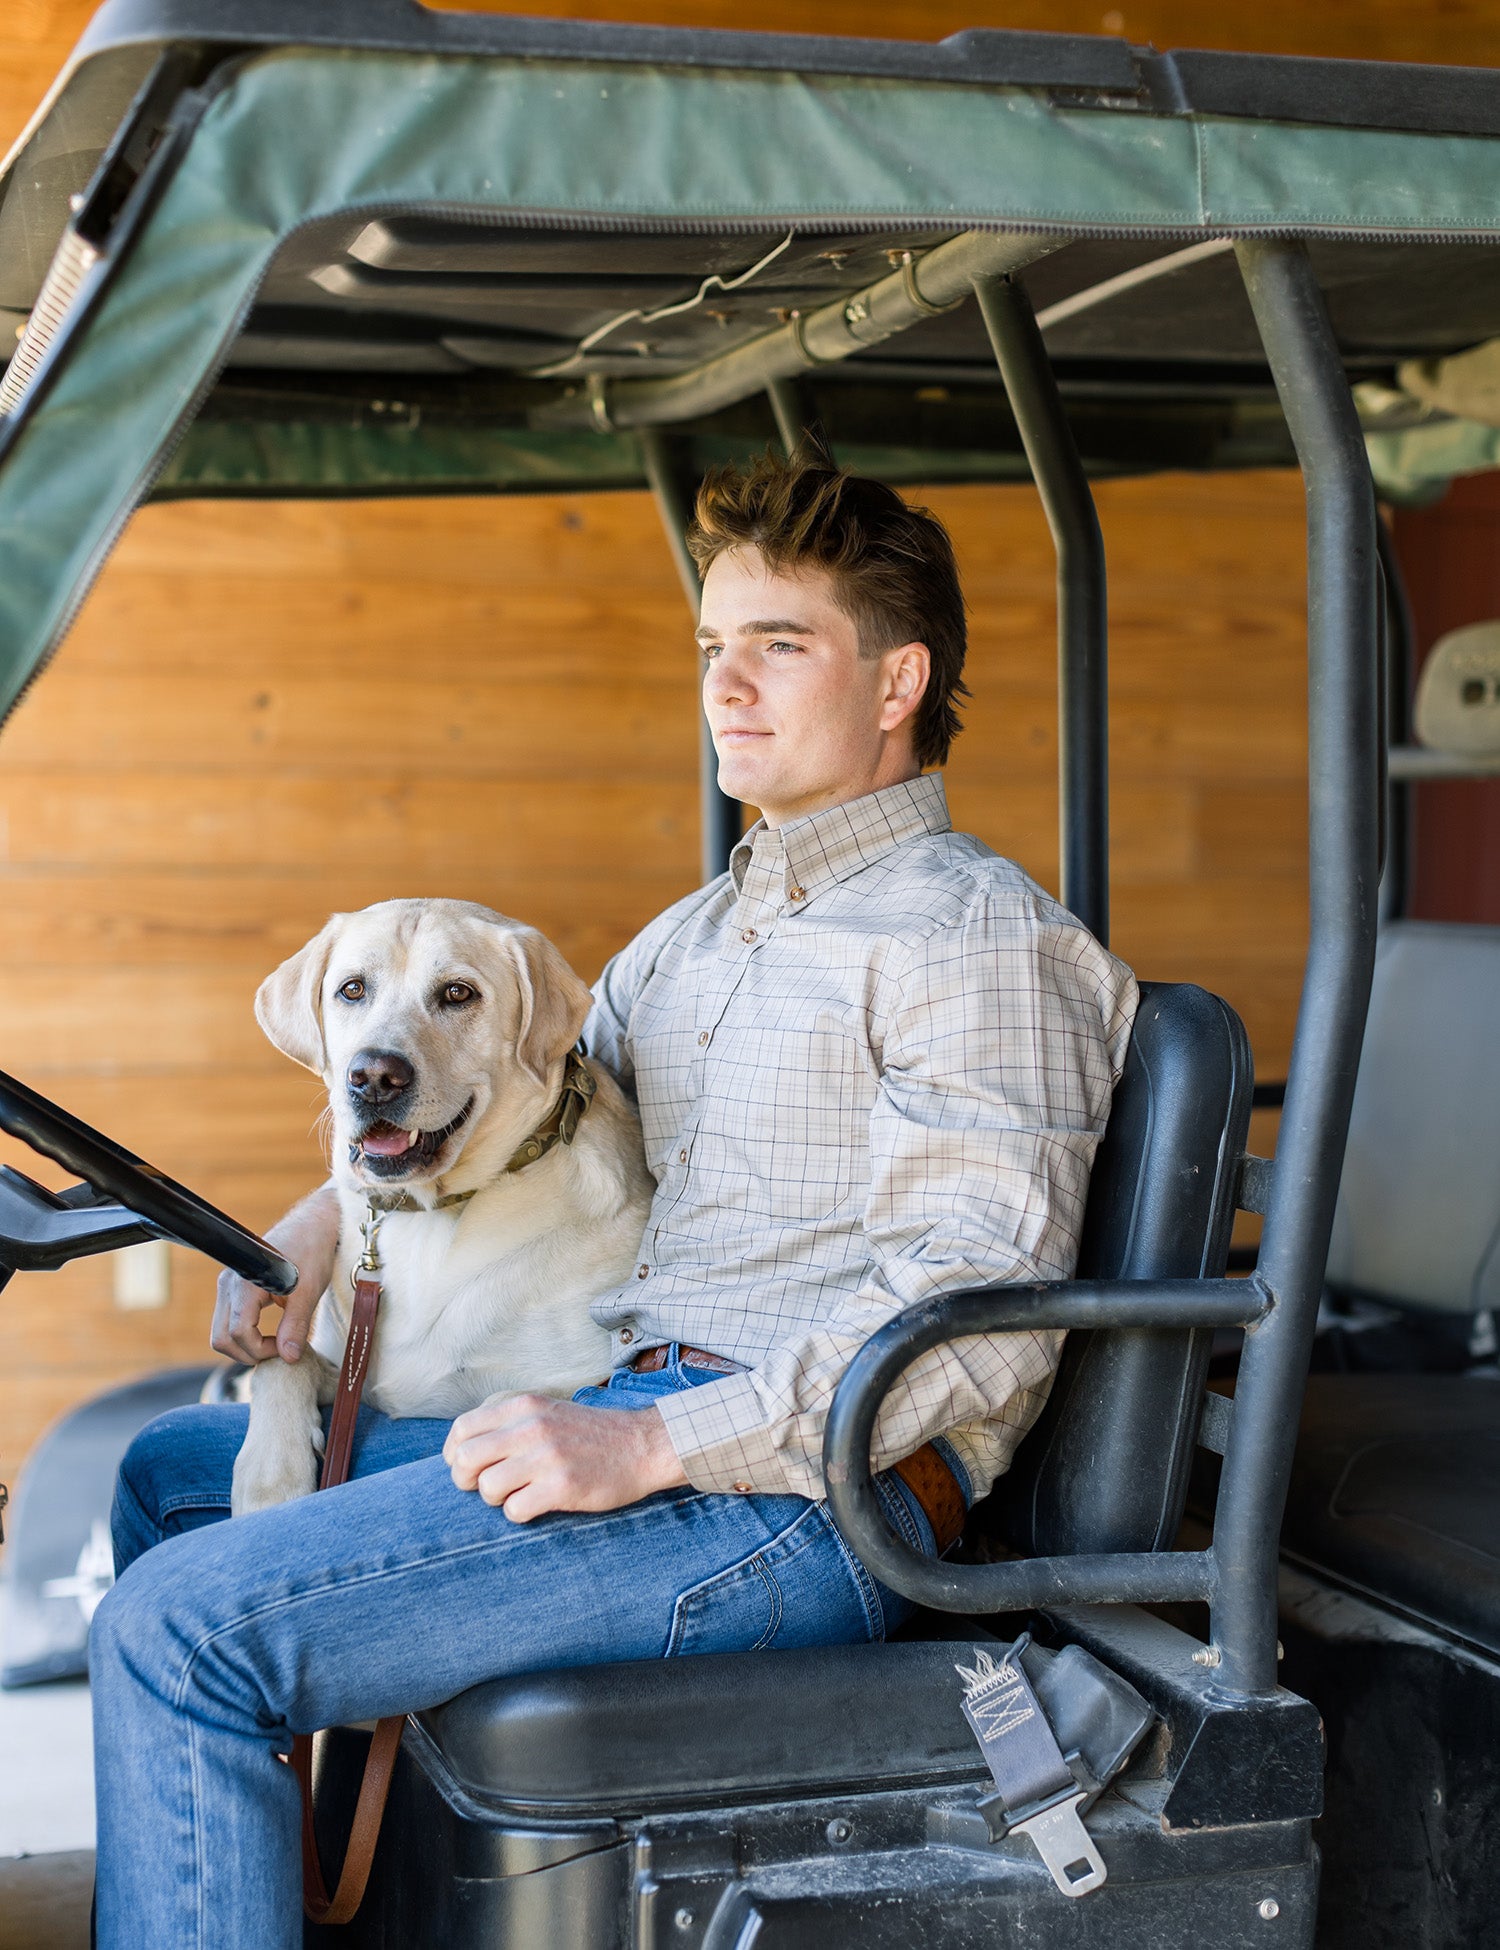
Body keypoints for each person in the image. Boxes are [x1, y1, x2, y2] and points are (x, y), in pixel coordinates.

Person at [91, 456, 1137, 1949]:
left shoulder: (973, 938)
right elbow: (505, 1112)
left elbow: (970, 1326)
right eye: (715, 648)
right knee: (171, 1478)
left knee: (172, 1631)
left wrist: (646, 1439)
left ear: (899, 678)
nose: (729, 686)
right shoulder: (693, 936)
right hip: (652, 1434)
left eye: (780, 645)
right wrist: (314, 1229)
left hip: (802, 1504)